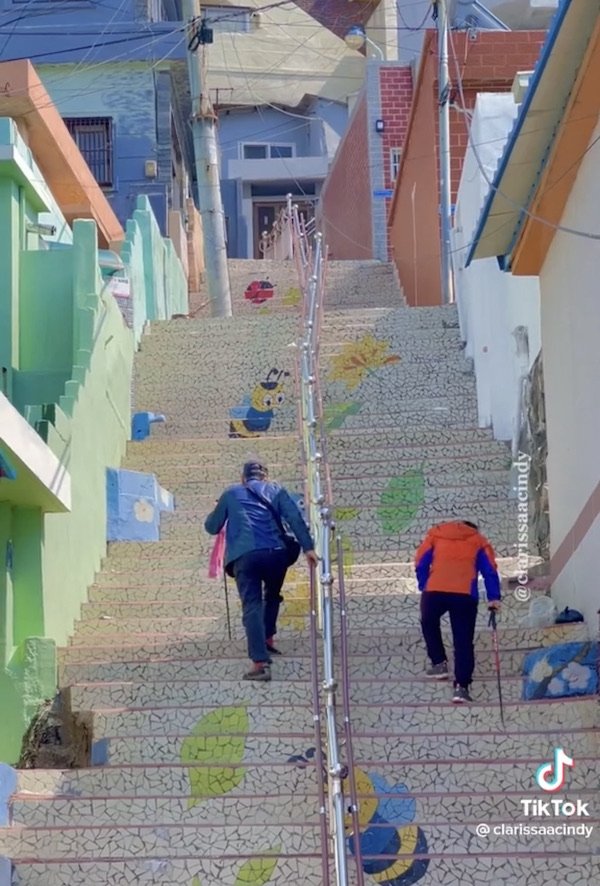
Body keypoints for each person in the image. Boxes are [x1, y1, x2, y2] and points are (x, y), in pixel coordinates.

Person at [205, 461, 318, 682]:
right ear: (265, 477)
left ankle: (260, 663)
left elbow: (211, 527)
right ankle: (267, 639)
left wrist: (218, 507)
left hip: (245, 556)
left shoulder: (231, 493)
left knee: (252, 604)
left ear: (243, 478)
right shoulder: (276, 490)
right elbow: (294, 518)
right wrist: (308, 548)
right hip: (276, 553)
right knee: (273, 594)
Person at [414, 520, 501, 703]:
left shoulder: (436, 536)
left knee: (428, 622)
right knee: (463, 641)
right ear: (473, 529)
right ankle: (461, 687)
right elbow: (489, 570)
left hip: (434, 590)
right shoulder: (478, 540)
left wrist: (424, 584)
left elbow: (421, 562)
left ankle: (439, 663)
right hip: (465, 594)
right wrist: (493, 597)